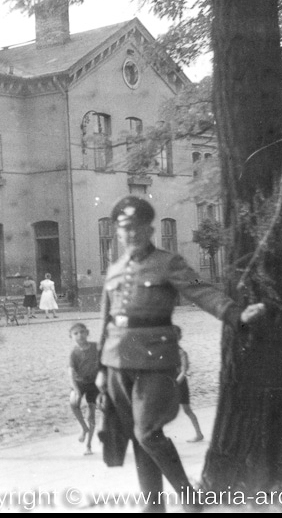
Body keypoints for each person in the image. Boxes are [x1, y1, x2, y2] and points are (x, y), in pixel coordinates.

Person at [96, 195, 266, 513]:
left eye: (136, 228)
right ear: (118, 232)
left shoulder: (168, 262)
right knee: (137, 436)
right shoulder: (115, 268)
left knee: (147, 432)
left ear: (149, 230)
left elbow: (201, 289)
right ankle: (153, 505)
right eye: (123, 229)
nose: (129, 234)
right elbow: (104, 319)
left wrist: (235, 314)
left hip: (154, 357)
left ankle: (190, 499)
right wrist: (99, 367)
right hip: (116, 360)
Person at [69, 322, 100, 455]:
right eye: (76, 333)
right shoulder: (74, 353)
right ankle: (84, 428)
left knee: (91, 415)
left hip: (93, 384)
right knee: (73, 402)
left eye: (82, 332)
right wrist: (76, 390)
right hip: (79, 382)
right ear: (71, 337)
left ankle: (88, 445)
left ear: (87, 333)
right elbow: (70, 374)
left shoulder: (95, 347)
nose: (80, 335)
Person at [173, 325, 204, 442]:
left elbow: (183, 371)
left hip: (179, 384)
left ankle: (199, 434)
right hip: (168, 383)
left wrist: (175, 384)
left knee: (187, 410)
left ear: (179, 337)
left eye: (175, 336)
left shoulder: (182, 353)